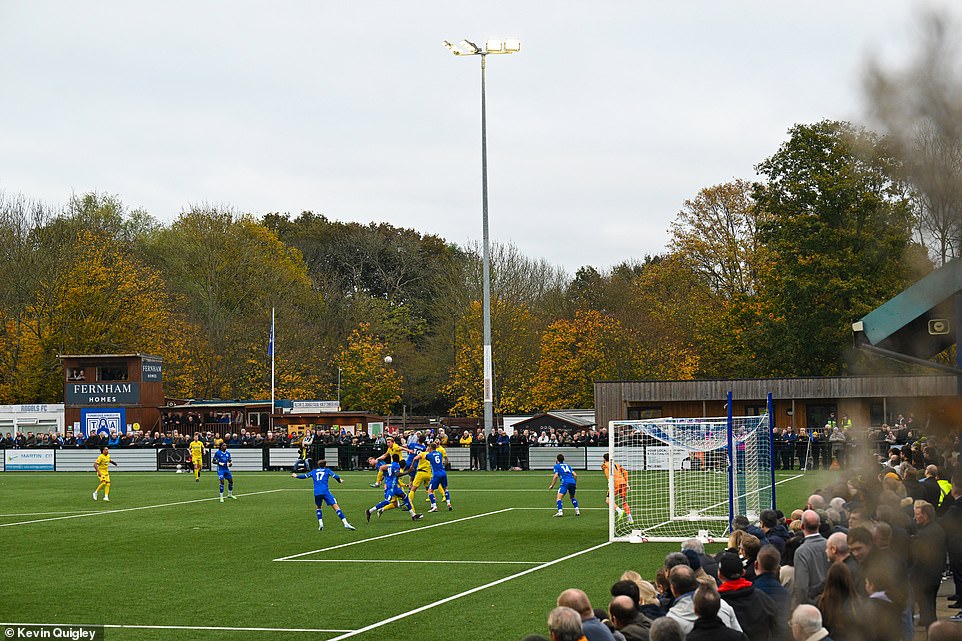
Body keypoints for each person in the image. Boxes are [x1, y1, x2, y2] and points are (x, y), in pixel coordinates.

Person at [716, 552, 779, 641]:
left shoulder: (717, 604)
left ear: (719, 574)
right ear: (743, 572)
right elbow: (776, 625)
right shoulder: (761, 596)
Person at [291, 458, 356, 531]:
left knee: (318, 507)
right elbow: (336, 476)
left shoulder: (314, 471)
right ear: (325, 465)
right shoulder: (327, 470)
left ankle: (321, 524)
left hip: (317, 492)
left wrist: (296, 476)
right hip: (325, 492)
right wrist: (339, 481)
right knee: (335, 506)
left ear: (318, 465)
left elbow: (305, 476)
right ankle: (345, 523)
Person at [365, 454, 423, 522]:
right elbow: (397, 474)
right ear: (398, 459)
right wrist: (408, 472)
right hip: (391, 486)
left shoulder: (389, 465)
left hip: (394, 486)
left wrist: (380, 480)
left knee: (405, 497)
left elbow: (382, 468)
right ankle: (369, 511)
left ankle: (413, 515)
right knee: (387, 501)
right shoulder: (396, 465)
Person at [792, 510, 828, 608]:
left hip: (812, 606)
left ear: (802, 526)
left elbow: (801, 587)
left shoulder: (801, 551)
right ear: (819, 525)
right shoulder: (829, 544)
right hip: (832, 602)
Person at [421, 442, 452, 512]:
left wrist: (427, 450)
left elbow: (425, 456)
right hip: (443, 472)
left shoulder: (429, 455)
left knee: (430, 490)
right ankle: (448, 503)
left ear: (430, 448)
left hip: (436, 474)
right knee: (445, 489)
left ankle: (434, 506)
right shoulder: (439, 453)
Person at [602, 452, 632, 525]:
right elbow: (625, 472)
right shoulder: (617, 464)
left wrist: (610, 483)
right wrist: (627, 482)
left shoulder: (605, 465)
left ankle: (619, 511)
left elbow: (608, 474)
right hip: (623, 482)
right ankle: (630, 518)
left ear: (604, 459)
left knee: (608, 500)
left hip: (615, 483)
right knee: (624, 501)